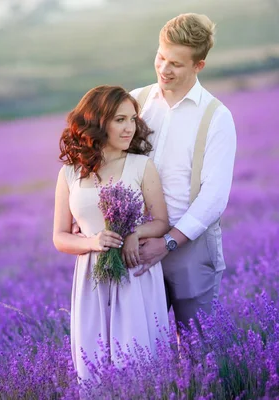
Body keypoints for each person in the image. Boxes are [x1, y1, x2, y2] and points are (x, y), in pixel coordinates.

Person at [53, 85, 170, 381]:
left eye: (133, 119)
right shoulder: (69, 173)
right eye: (120, 120)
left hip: (133, 272)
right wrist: (92, 242)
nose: (129, 127)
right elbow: (60, 237)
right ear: (97, 121)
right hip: (92, 277)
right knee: (93, 367)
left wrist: (134, 232)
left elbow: (162, 222)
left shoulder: (142, 166)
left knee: (138, 361)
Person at [130, 13, 237, 330]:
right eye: (161, 57)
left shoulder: (216, 117)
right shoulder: (136, 102)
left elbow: (214, 198)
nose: (164, 69)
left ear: (198, 66)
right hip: (138, 246)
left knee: (197, 349)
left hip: (190, 250)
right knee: (139, 346)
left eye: (175, 63)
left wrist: (169, 242)